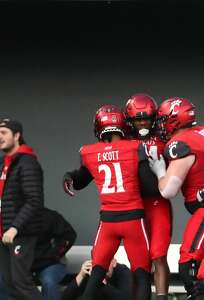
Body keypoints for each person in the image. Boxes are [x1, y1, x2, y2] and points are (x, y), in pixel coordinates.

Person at [63, 104, 151, 300]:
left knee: (96, 275)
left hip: (108, 222)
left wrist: (68, 177)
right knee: (142, 274)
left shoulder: (89, 152)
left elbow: (79, 181)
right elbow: (150, 186)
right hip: (133, 219)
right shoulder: (135, 148)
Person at [148, 97, 204, 299]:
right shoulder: (200, 133)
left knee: (188, 266)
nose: (160, 125)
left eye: (163, 120)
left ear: (174, 120)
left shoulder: (180, 144)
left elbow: (168, 191)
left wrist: (160, 170)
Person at [124, 93, 172, 300]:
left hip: (157, 202)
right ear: (130, 120)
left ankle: (161, 297)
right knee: (139, 261)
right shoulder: (124, 140)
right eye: (137, 118)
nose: (142, 122)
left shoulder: (165, 138)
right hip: (133, 204)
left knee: (159, 254)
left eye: (146, 118)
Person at [0, 118, 44, 300]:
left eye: (4, 132)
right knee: (10, 283)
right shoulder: (4, 162)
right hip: (0, 236)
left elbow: (34, 201)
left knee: (21, 283)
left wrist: (15, 228)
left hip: (19, 234)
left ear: (17, 135)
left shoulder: (27, 162)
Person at [0, 207, 77, 300]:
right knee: (0, 282)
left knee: (49, 282)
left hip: (50, 264)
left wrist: (54, 254)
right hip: (23, 265)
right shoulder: (12, 221)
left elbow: (70, 234)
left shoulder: (49, 216)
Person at [62, 259, 133, 300]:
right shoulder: (91, 271)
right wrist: (81, 275)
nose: (102, 267)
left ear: (114, 262)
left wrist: (102, 282)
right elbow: (65, 298)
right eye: (98, 263)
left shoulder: (123, 272)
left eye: (105, 262)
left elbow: (126, 298)